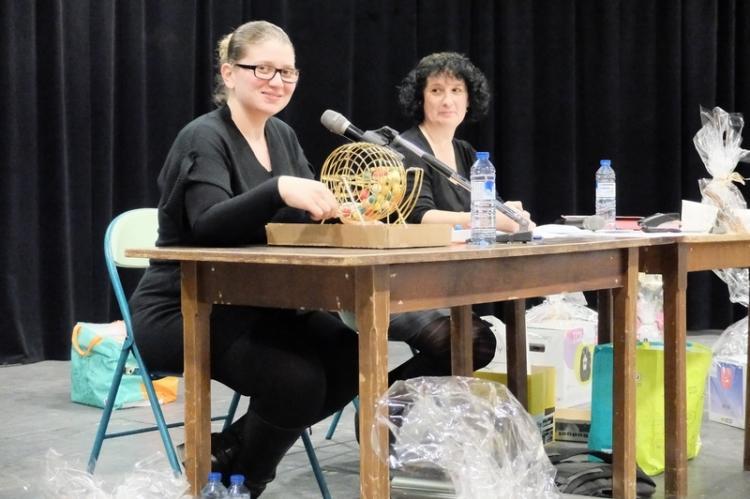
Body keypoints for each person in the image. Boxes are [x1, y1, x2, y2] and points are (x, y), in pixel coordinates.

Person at [128, 21, 359, 496]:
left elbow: (298, 220)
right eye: (264, 69)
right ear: (229, 73)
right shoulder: (203, 137)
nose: (278, 81)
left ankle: (226, 452)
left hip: (256, 302)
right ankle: (245, 482)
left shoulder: (284, 138)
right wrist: (277, 189)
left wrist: (337, 213)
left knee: (350, 352)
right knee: (296, 380)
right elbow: (207, 226)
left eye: (288, 72)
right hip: (184, 306)